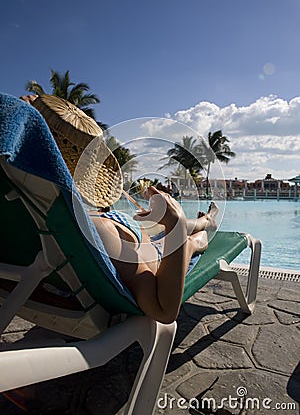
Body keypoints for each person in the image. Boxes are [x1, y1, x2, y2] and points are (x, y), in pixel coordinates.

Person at [21, 94, 218, 324]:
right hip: (156, 254)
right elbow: (163, 310)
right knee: (178, 234)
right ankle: (197, 237)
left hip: (129, 234)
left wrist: (31, 117)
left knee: (157, 225)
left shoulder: (26, 204)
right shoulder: (97, 230)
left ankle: (205, 220)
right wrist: (175, 222)